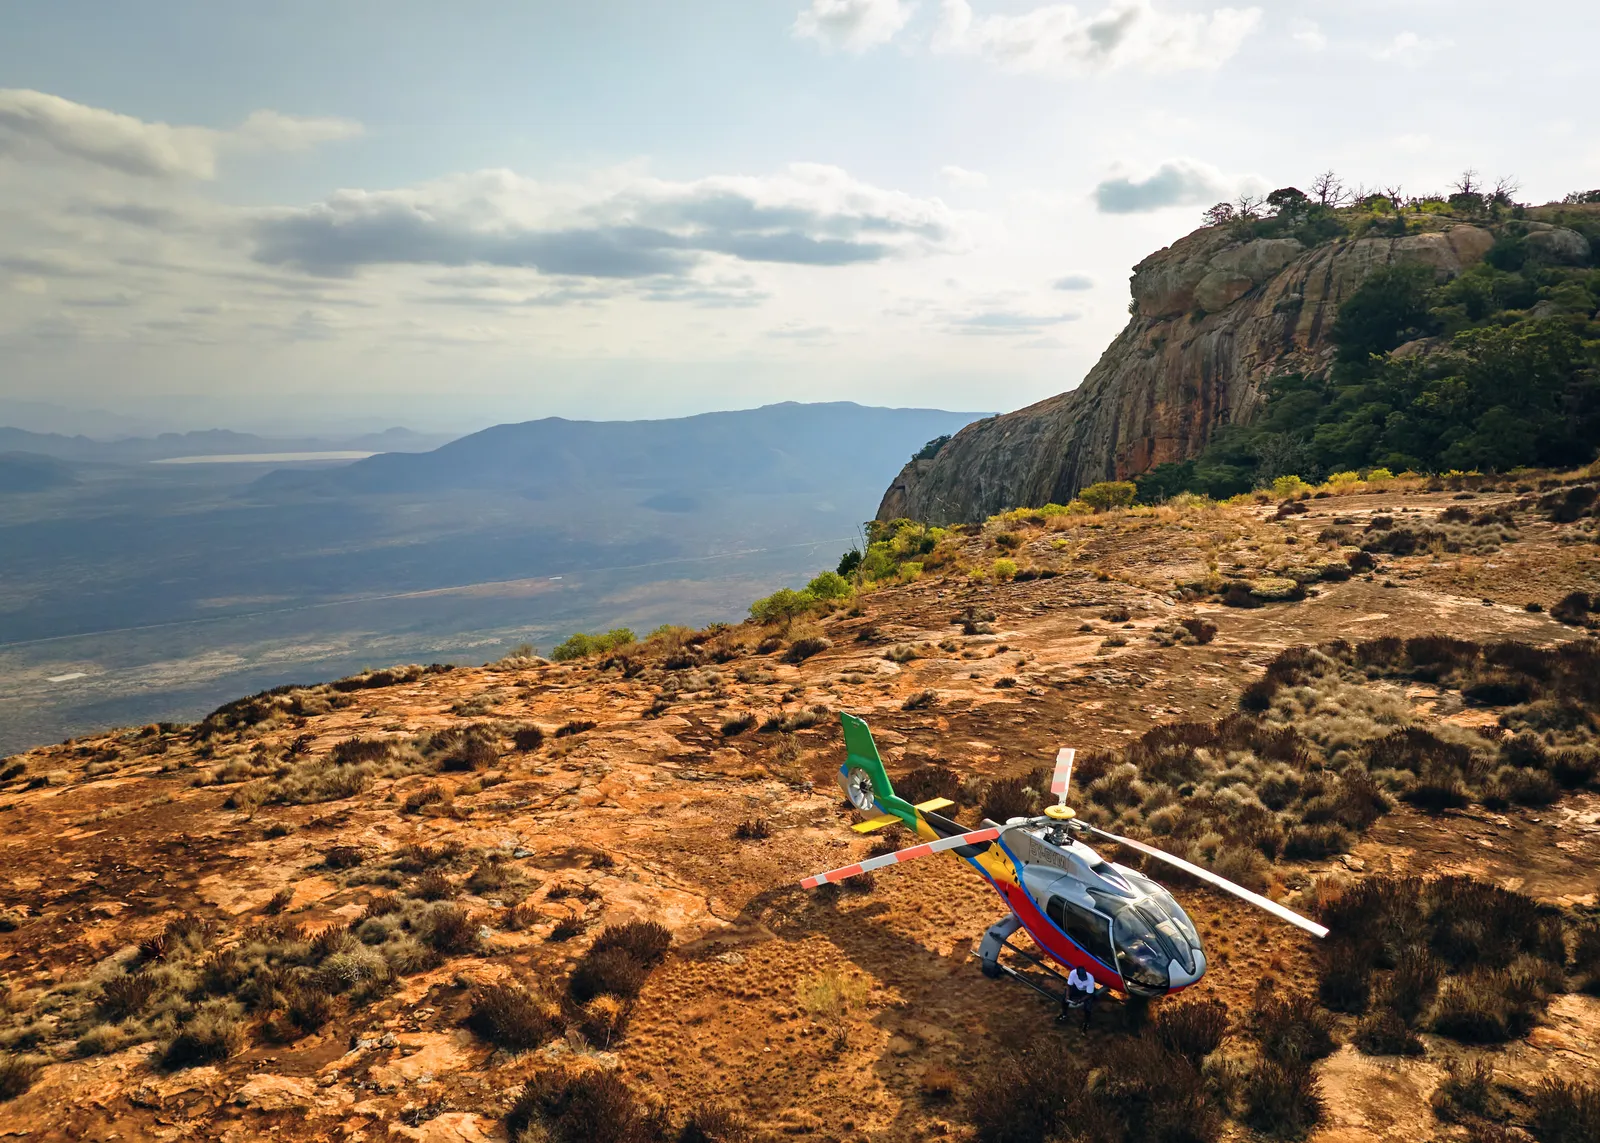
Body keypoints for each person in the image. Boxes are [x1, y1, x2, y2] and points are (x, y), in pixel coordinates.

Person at [1062, 966, 1097, 1031]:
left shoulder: (1090, 979)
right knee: (1064, 1000)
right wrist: (1067, 996)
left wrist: (1080, 1001)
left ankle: (1086, 1023)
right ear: (1077, 975)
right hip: (1077, 987)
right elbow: (1069, 985)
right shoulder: (1073, 973)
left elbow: (1089, 994)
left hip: (1085, 991)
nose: (1083, 979)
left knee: (1088, 1008)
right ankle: (1064, 1015)